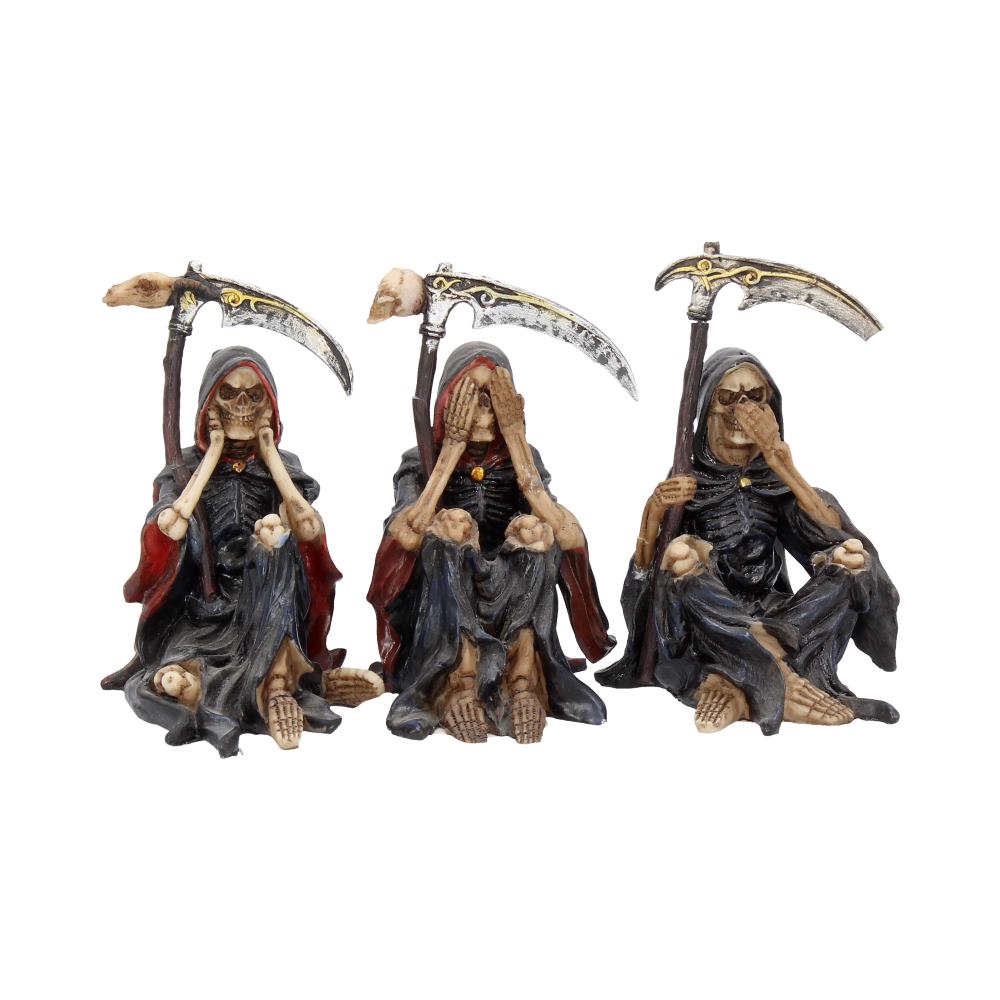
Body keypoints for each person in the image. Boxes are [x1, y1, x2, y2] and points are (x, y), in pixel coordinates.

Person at [596, 347, 898, 735]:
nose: (743, 409)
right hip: (709, 622)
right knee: (681, 554)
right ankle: (777, 675)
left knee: (854, 560)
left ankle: (742, 678)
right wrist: (653, 512)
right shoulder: (689, 482)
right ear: (706, 409)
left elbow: (833, 534)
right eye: (728, 398)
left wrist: (781, 463)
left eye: (755, 397)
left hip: (780, 619)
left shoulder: (775, 482)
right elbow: (648, 583)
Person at [108, 346, 381, 756]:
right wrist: (211, 456)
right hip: (204, 609)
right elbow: (171, 526)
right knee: (169, 675)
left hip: (270, 601)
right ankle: (302, 683)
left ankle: (279, 684)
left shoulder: (281, 465)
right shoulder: (183, 469)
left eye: (253, 397)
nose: (241, 406)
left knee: (276, 541)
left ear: (269, 407)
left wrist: (270, 455)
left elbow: (309, 528)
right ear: (209, 405)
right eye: (229, 394)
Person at [368, 342, 614, 743]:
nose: (483, 409)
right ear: (448, 402)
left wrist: (516, 440)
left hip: (511, 584)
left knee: (540, 539)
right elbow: (404, 535)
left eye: (492, 396)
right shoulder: (420, 459)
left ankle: (522, 679)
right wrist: (450, 451)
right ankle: (459, 679)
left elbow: (568, 534)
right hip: (450, 586)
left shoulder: (523, 457)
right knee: (445, 535)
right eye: (471, 396)